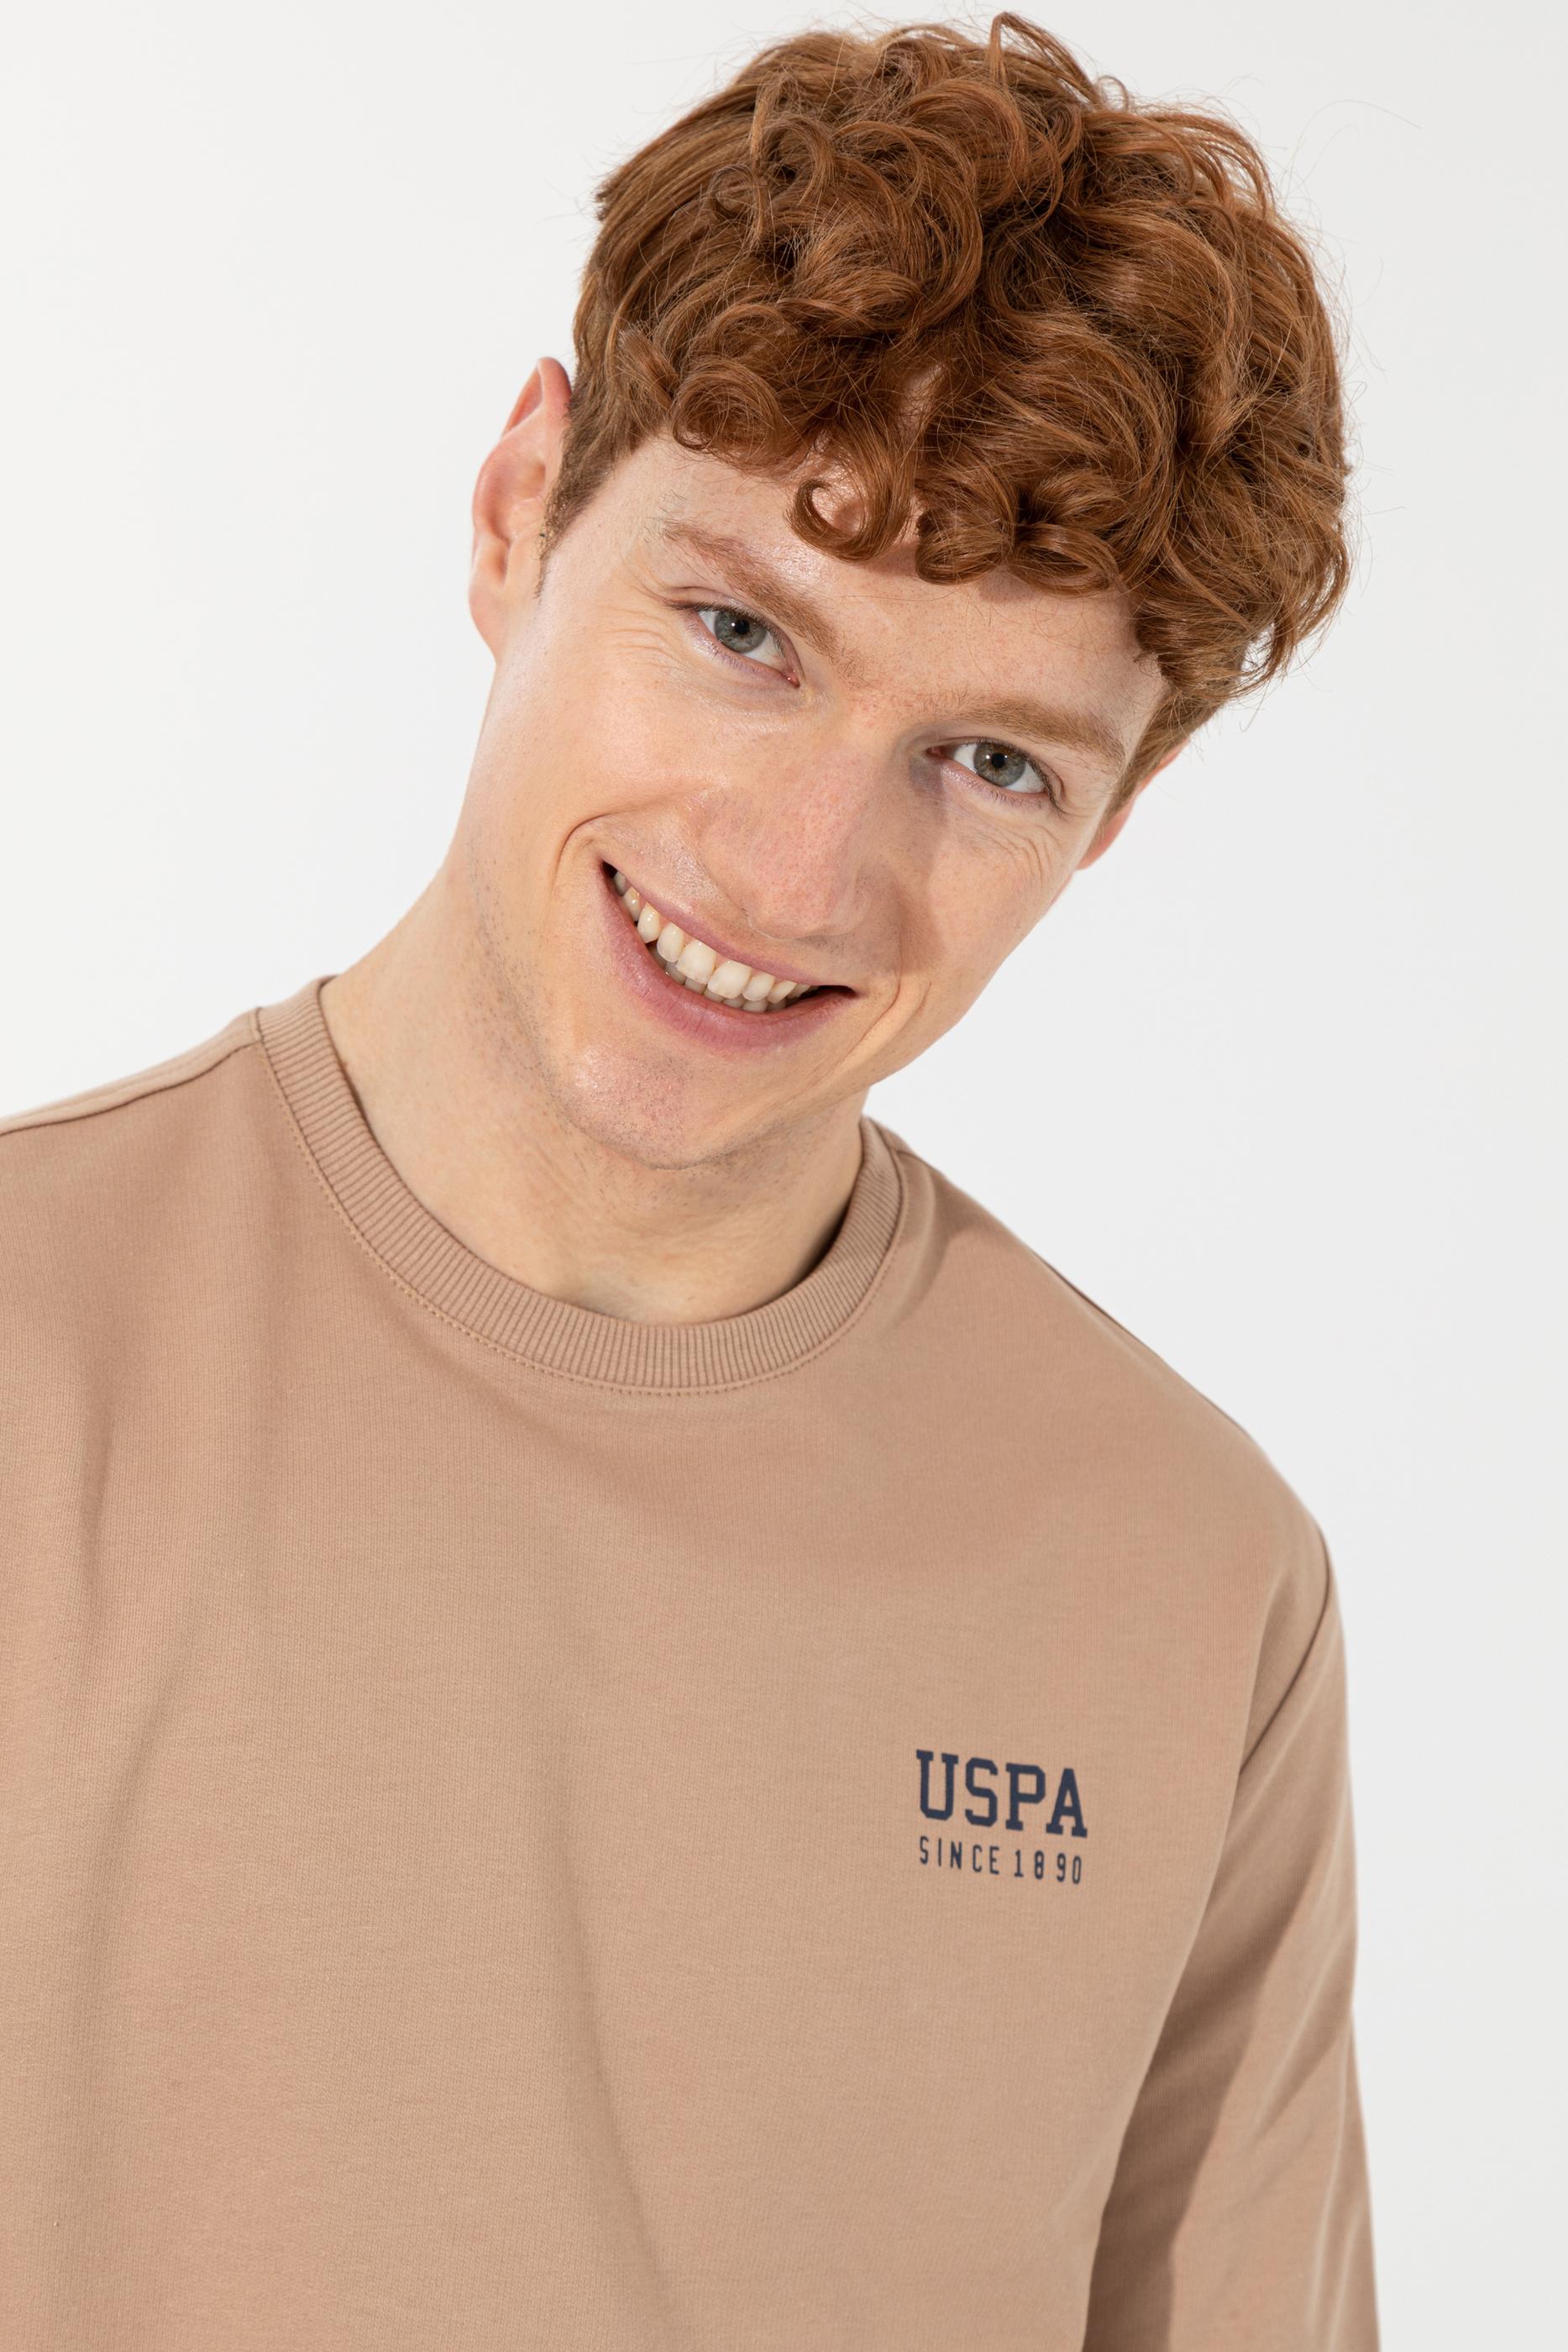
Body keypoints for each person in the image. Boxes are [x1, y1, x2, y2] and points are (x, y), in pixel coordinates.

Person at [0, 14, 1379, 2346]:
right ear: (517, 510)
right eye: (742, 635)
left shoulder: (1187, 1578)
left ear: (1111, 820)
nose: (798, 874)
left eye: (989, 763)